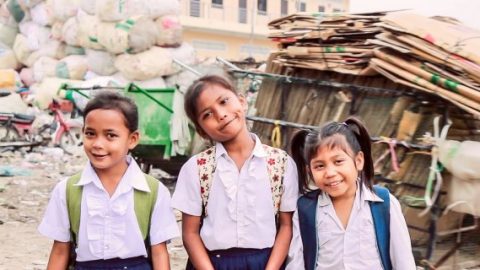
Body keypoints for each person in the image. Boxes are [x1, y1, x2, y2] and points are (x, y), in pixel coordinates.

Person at [38, 92, 179, 270]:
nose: (98, 144)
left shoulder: (153, 191)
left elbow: (159, 252)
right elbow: (60, 250)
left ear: (132, 139)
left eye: (110, 135)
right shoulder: (66, 190)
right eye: (90, 133)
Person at [172, 75, 299, 270]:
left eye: (224, 101)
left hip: (267, 262)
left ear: (242, 101)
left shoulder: (280, 163)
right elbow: (190, 234)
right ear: (201, 131)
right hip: (213, 263)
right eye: (207, 114)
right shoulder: (196, 168)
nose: (221, 114)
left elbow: (286, 226)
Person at [286, 117, 416, 270]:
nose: (330, 173)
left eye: (338, 161)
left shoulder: (384, 204)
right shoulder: (305, 209)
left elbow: (404, 262)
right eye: (319, 166)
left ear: (359, 160)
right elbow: (296, 264)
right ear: (310, 171)